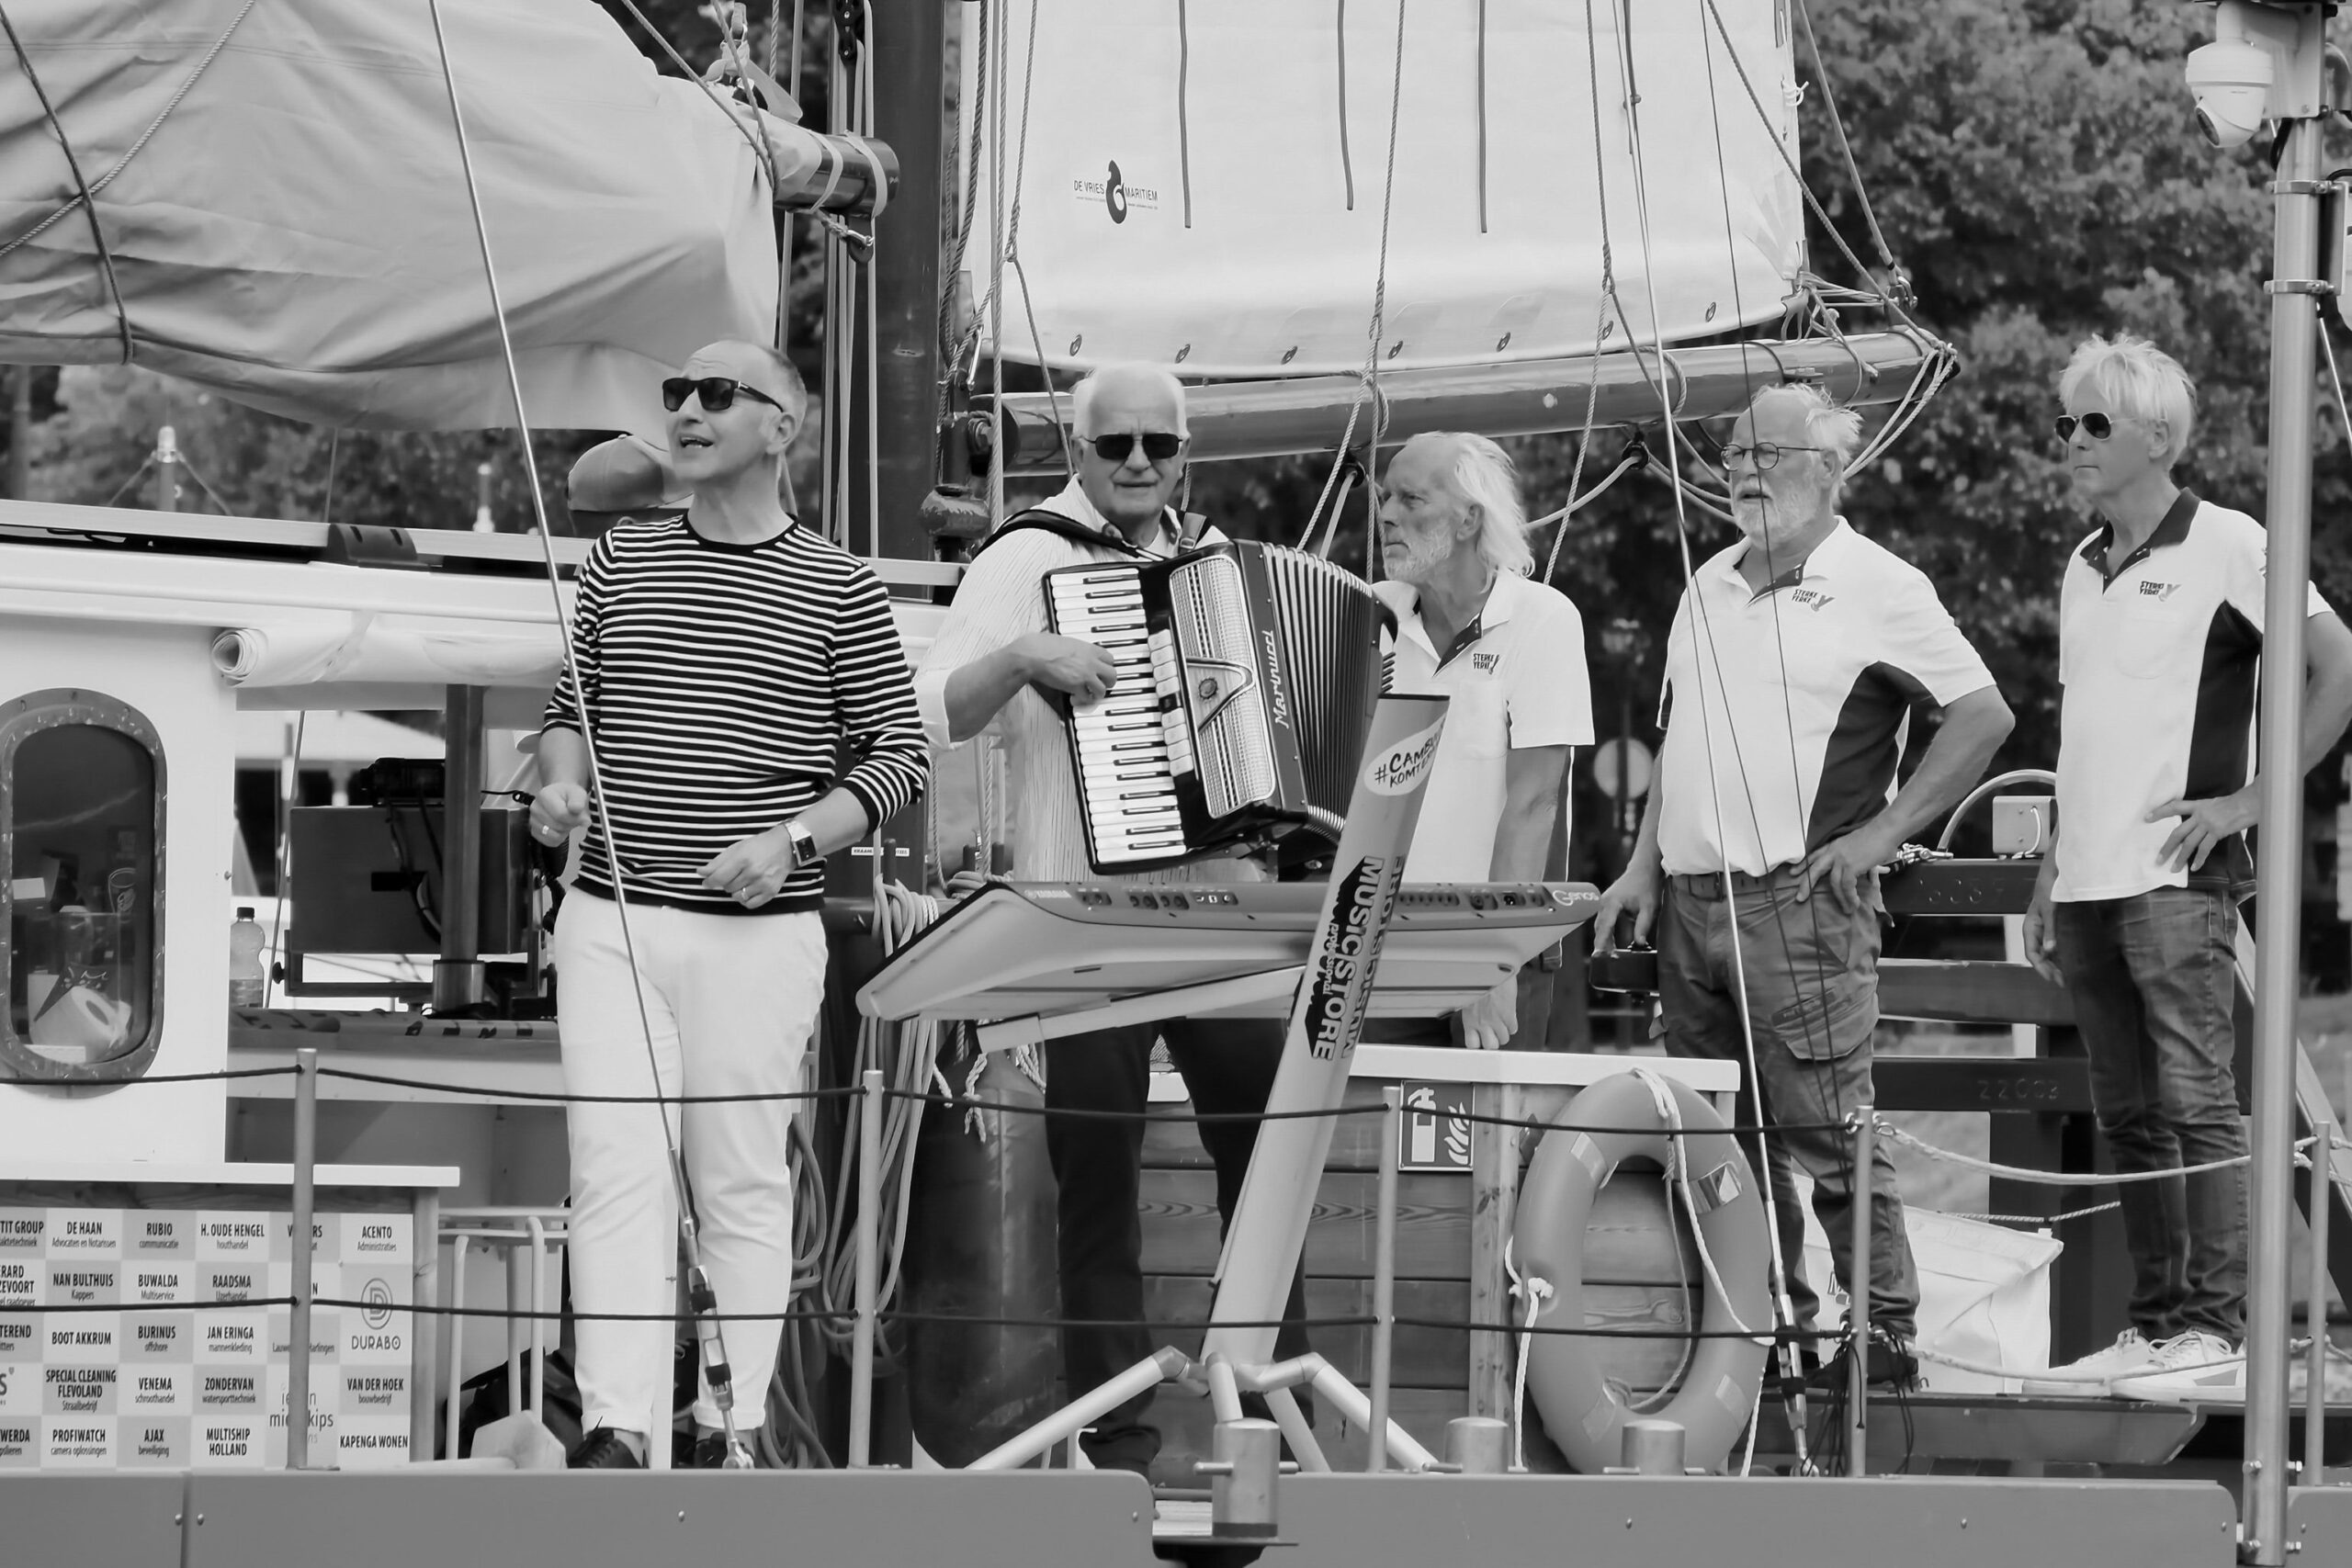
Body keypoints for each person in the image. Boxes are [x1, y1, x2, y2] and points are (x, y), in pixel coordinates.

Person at [533, 340, 929, 1469]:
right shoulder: (619, 556)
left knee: (740, 1182)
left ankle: (731, 1427)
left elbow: (899, 756)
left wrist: (792, 840)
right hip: (609, 917)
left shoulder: (841, 583)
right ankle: (617, 1427)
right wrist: (558, 785)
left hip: (759, 937)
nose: (688, 410)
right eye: (677, 394)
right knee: (613, 1171)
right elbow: (567, 712)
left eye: (717, 393)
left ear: (782, 426)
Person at [914, 362, 1309, 1476]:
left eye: (1159, 445)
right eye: (1116, 444)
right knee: (1097, 1179)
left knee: (1269, 1159)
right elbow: (930, 710)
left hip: (1218, 909)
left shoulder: (1219, 566)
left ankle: (1275, 1426)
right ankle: (1117, 1439)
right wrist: (1021, 655)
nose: (1139, 461)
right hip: (1084, 918)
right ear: (1078, 452)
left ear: (1186, 456)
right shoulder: (1024, 556)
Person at [1592, 383, 2014, 1382]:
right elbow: (1677, 740)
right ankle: (1763, 1346)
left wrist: (1883, 836)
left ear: (1830, 467)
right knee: (1720, 1146)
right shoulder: (1704, 581)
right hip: (1689, 904)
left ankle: (1883, 1344)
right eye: (1733, 455)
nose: (1742, 472)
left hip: (1801, 901)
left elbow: (1984, 715)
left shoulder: (1882, 583)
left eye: (1765, 454)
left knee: (1825, 1137)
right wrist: (1640, 865)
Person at [2020, 333, 2352, 1402]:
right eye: (2065, 422)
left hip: (2174, 881)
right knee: (2126, 1116)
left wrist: (2252, 802)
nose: (2071, 439)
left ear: (2158, 437)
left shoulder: (2229, 542)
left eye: (2094, 423)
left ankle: (2215, 1330)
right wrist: (2048, 869)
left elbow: (2339, 666)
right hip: (2085, 883)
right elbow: (2085, 730)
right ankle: (2161, 1329)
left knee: (2195, 1104)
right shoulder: (2079, 565)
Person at [1372, 431, 1592, 1048]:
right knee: (1364, 1113)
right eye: (1385, 498)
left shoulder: (1544, 618)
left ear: (1469, 519)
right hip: (1377, 944)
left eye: (1411, 499)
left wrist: (1493, 959)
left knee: (1486, 1116)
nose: (1386, 515)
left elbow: (1534, 803)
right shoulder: (1366, 612)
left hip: (1500, 943)